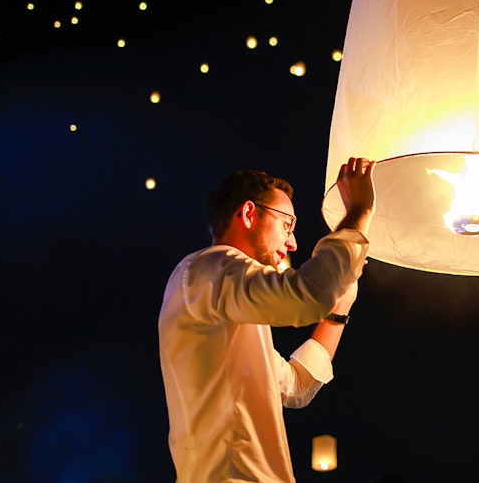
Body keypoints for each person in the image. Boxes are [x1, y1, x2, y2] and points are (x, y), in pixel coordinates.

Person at [158, 157, 376, 483]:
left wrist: (340, 304)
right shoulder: (208, 269)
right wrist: (359, 210)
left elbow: (296, 385)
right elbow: (308, 294)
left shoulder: (223, 302)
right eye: (287, 225)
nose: (293, 243)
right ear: (249, 214)